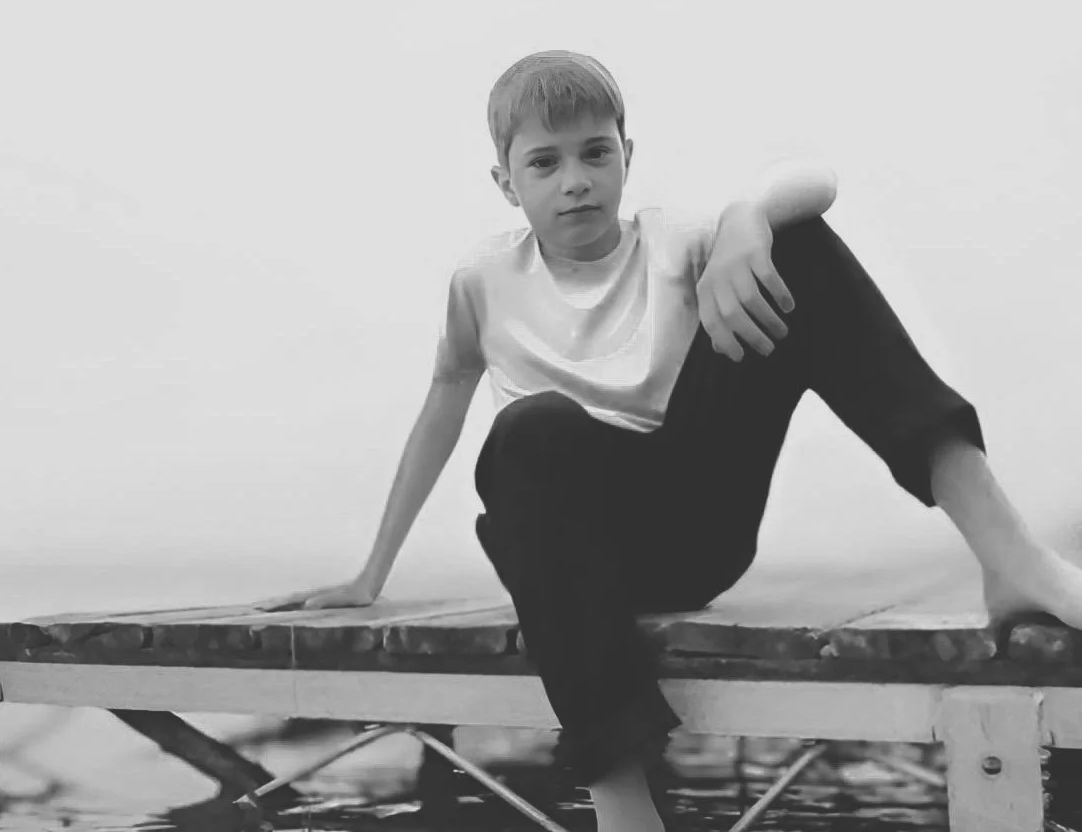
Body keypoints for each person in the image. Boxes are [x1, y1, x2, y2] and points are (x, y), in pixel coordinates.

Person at [252, 50, 1082, 832]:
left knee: (796, 244)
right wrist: (371, 573)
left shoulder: (676, 244)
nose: (576, 181)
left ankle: (1010, 556)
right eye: (545, 163)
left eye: (595, 153)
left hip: (694, 531)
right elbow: (442, 406)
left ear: (626, 155)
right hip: (561, 548)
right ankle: (622, 802)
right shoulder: (484, 282)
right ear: (506, 182)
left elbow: (817, 183)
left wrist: (747, 219)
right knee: (530, 429)